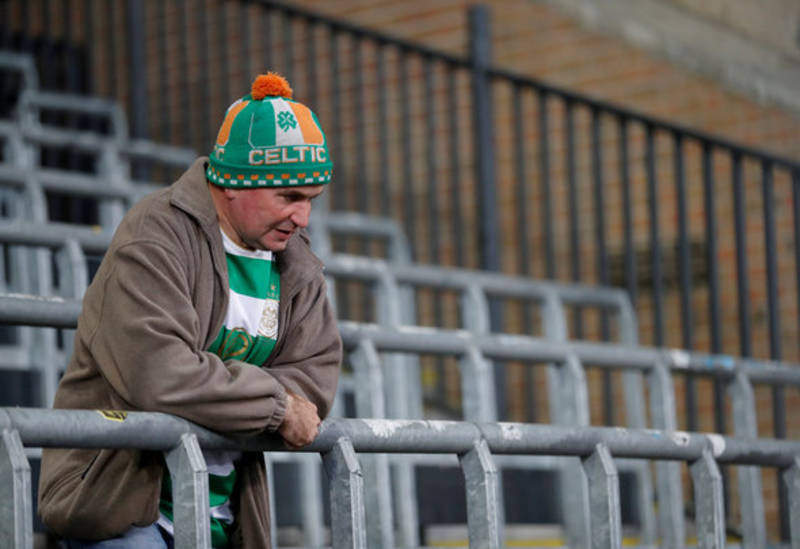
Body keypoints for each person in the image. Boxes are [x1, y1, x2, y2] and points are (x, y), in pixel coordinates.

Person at [37, 73, 342, 548]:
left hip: (226, 515)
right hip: (119, 511)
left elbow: (316, 377)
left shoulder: (294, 256)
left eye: (311, 201)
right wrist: (274, 407)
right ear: (236, 184)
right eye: (289, 197)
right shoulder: (156, 233)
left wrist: (223, 390)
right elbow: (159, 373)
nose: (303, 218)